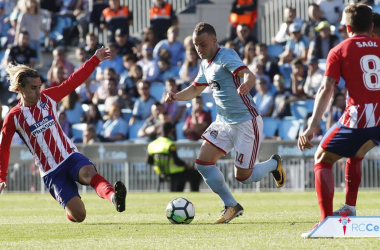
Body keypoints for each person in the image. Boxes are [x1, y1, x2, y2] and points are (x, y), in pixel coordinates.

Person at [165, 22, 286, 224]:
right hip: (223, 121)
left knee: (244, 177)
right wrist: (176, 96)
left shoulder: (226, 55)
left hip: (246, 121)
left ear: (214, 41)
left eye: (203, 44)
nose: (199, 49)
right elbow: (195, 90)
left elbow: (248, 73)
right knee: (203, 163)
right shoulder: (205, 64)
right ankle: (231, 205)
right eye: (196, 45)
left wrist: (247, 84)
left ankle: (274, 163)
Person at [0, 47, 127, 222]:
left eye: (39, 87)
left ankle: (113, 197)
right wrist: (2, 176)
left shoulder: (48, 98)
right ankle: (69, 209)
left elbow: (73, 81)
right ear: (21, 89)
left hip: (70, 156)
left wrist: (95, 60)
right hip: (51, 172)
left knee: (89, 172)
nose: (38, 91)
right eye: (33, 88)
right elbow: (4, 147)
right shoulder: (14, 117)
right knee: (79, 216)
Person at [298, 3, 380, 236]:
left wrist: (312, 126)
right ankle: (350, 209)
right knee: (357, 152)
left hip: (359, 118)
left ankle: (327, 223)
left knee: (322, 158)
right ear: (371, 26)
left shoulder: (339, 50)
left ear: (347, 27)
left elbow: (326, 88)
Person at [147, 122, 202, 192]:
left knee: (185, 174)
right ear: (171, 131)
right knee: (195, 174)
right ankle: (194, 192)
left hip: (160, 172)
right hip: (174, 172)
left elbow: (149, 161)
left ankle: (179, 190)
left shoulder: (152, 144)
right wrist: (186, 165)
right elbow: (177, 161)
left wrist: (161, 166)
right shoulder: (170, 144)